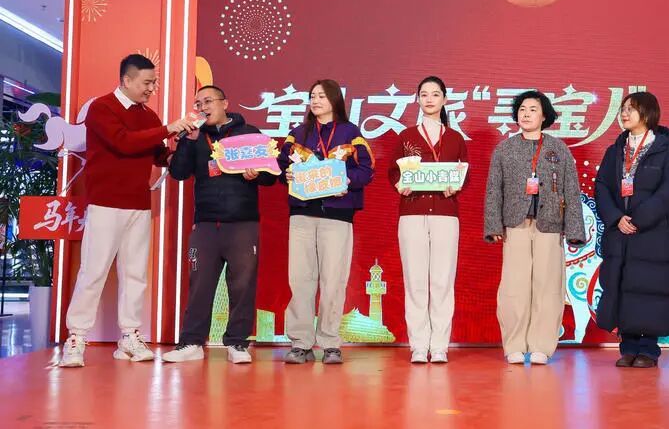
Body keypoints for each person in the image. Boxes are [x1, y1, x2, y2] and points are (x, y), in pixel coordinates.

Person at [59, 54, 198, 368]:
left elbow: (159, 155)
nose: (151, 88)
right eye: (147, 82)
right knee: (93, 271)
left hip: (139, 205)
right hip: (105, 204)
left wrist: (184, 145)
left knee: (135, 274)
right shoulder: (102, 108)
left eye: (154, 83)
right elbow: (123, 142)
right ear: (127, 80)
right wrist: (168, 128)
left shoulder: (148, 115)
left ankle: (130, 336)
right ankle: (76, 337)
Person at [162, 85, 276, 364]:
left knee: (242, 286)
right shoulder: (195, 136)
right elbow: (178, 172)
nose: (202, 107)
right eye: (198, 103)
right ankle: (191, 342)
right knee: (199, 284)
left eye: (208, 101)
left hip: (242, 223)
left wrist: (256, 175)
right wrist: (188, 141)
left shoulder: (248, 133)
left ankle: (237, 343)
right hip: (205, 225)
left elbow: (270, 177)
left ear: (225, 103)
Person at [484, 90, 586, 365]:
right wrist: (493, 225)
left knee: (548, 286)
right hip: (515, 225)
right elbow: (494, 189)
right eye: (522, 109)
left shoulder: (558, 148)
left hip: (550, 224)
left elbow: (571, 189)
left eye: (532, 109)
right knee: (514, 287)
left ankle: (542, 345)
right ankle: (514, 345)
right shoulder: (505, 149)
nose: (526, 114)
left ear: (544, 116)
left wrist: (575, 230)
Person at [277, 79, 374, 364]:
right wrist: (287, 174)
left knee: (334, 280)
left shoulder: (350, 133)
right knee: (301, 279)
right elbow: (280, 166)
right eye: (312, 96)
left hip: (337, 215)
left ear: (334, 100)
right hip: (302, 214)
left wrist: (346, 180)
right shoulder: (297, 133)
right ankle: (300, 343)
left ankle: (330, 342)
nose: (316, 100)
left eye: (321, 96)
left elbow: (367, 170)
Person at [594, 91, 669, 369]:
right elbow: (602, 186)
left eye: (631, 109)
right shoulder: (615, 150)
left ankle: (648, 350)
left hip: (652, 233)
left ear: (648, 113)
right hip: (619, 232)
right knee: (623, 288)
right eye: (623, 109)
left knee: (650, 289)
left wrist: (639, 220)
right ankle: (628, 348)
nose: (624, 113)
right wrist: (616, 218)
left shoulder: (667, 151)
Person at [388, 76, 468, 364]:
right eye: (424, 94)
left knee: (443, 281)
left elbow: (464, 173)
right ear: (418, 99)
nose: (430, 99)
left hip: (446, 214)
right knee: (416, 280)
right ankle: (419, 345)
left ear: (445, 99)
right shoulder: (406, 136)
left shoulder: (455, 138)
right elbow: (393, 172)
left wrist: (455, 186)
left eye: (435, 94)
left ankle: (440, 346)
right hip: (412, 213)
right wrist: (401, 185)